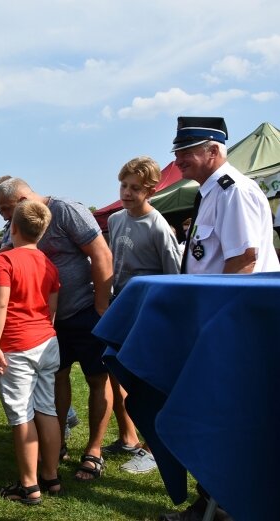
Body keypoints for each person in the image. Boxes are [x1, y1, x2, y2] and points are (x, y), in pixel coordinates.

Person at [159, 116, 279, 521]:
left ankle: (225, 503)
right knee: (213, 413)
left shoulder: (234, 191)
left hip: (235, 326)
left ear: (213, 150)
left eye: (186, 151)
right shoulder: (210, 192)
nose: (178, 159)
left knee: (225, 415)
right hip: (219, 323)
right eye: (177, 151)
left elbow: (243, 260)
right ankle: (212, 501)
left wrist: (218, 325)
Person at [0, 178, 113, 481]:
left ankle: (94, 451)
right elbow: (1, 255)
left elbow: (102, 254)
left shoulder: (66, 210)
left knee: (97, 379)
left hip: (86, 311)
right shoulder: (19, 223)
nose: (3, 216)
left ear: (25, 198)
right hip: (51, 323)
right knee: (57, 379)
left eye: (6, 209)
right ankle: (59, 445)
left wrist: (102, 307)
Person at [104, 156, 182, 474]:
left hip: (149, 316)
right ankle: (130, 438)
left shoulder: (159, 227)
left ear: (149, 191)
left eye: (135, 188)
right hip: (122, 310)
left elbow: (174, 277)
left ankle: (153, 450)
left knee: (149, 383)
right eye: (123, 185)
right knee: (124, 377)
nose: (126, 192)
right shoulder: (115, 221)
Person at [0, 200, 62, 505]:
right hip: (47, 341)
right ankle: (51, 477)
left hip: (16, 346)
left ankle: (29, 487)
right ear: (42, 231)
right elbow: (53, 307)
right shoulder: (49, 263)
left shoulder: (3, 261)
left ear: (13, 228)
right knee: (47, 409)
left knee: (21, 415)